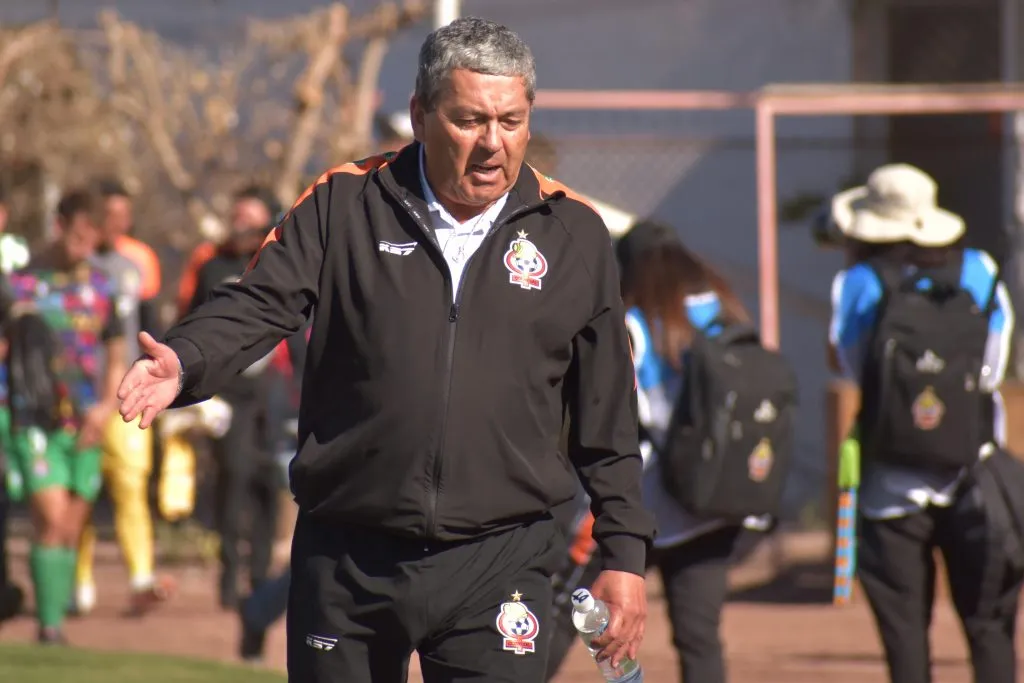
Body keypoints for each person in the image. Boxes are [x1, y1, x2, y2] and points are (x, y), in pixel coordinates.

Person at [116, 17, 653, 682]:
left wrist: (624, 554)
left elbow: (609, 412)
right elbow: (259, 301)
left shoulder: (572, 231)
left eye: (511, 121)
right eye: (470, 120)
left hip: (501, 559)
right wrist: (186, 358)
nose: (493, 144)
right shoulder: (346, 201)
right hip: (347, 554)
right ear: (419, 115)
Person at [828, 163, 1021, 683]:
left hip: (889, 481)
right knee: (990, 627)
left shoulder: (857, 282)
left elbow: (851, 366)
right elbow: (991, 368)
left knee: (906, 635)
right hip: (977, 475)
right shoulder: (980, 269)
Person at [618, 220, 769, 683]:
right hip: (716, 494)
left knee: (570, 612)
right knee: (700, 638)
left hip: (643, 499)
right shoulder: (725, 309)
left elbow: (625, 409)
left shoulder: (635, 320)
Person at [2, 188, 126, 644]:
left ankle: (53, 615)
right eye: (77, 236)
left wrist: (105, 407)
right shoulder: (19, 284)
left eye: (92, 240)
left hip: (87, 421)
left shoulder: (101, 288)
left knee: (70, 527)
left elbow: (115, 354)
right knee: (50, 520)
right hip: (32, 418)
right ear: (60, 226)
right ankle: (49, 626)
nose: (83, 247)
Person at [74, 180, 175, 617]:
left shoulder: (139, 261)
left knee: (132, 480)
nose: (120, 223)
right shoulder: (75, 262)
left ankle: (140, 575)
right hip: (80, 392)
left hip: (127, 390)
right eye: (111, 214)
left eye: (124, 215)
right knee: (80, 490)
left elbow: (149, 322)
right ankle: (77, 581)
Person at [185, 184, 284, 610]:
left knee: (269, 489)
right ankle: (228, 579)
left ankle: (260, 579)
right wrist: (199, 394)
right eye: (237, 215)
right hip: (229, 400)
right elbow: (189, 326)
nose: (240, 224)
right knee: (233, 484)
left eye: (250, 217)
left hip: (276, 399)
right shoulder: (213, 268)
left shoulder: (284, 265)